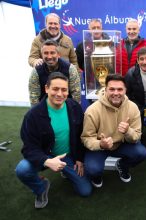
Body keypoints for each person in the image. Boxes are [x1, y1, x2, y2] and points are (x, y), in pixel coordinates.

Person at [16, 72, 92, 209]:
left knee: (85, 191)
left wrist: (80, 158)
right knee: (22, 169)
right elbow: (28, 147)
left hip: (68, 156)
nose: (59, 94)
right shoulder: (33, 115)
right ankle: (41, 188)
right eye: (55, 89)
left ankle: (66, 171)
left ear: (68, 91)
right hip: (44, 155)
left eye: (64, 90)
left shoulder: (74, 107)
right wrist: (46, 160)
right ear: (46, 89)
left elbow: (82, 135)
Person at [81, 74, 146, 187]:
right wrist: (100, 144)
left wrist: (128, 131)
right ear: (105, 90)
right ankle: (96, 177)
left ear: (125, 90)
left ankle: (122, 165)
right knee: (93, 169)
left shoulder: (133, 107)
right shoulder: (92, 110)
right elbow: (86, 138)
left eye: (120, 89)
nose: (116, 93)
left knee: (141, 153)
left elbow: (137, 136)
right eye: (112, 89)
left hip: (121, 144)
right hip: (100, 147)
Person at [29, 40, 81, 106]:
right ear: (42, 55)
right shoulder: (36, 71)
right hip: (44, 110)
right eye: (46, 53)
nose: (49, 56)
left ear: (58, 54)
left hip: (66, 108)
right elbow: (34, 97)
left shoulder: (70, 69)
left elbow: (76, 95)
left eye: (52, 53)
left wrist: (73, 112)